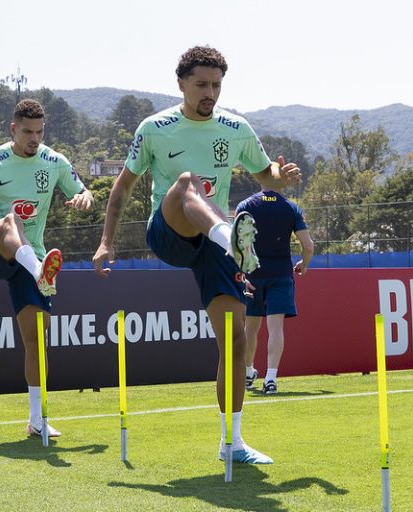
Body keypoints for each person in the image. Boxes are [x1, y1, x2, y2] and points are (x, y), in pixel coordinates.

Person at [93, 46, 301, 464]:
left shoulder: (235, 128)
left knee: (235, 340)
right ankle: (231, 239)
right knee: (188, 183)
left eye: (217, 85)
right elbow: (122, 187)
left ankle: (232, 443)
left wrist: (283, 176)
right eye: (202, 84)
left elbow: (267, 177)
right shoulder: (155, 127)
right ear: (181, 84)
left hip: (216, 246)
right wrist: (106, 241)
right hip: (170, 230)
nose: (211, 93)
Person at [0, 99, 93, 438]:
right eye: (28, 132)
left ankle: (36, 419)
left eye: (40, 132)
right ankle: (40, 269)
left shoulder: (55, 162)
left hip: (33, 258)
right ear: (13, 129)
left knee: (36, 339)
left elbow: (84, 192)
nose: (34, 138)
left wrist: (85, 198)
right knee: (11, 219)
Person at [236, 187, 314, 394]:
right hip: (280, 274)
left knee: (250, 327)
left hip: (252, 274)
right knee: (275, 327)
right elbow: (308, 246)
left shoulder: (245, 205)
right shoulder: (291, 208)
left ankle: (248, 372)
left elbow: (237, 244)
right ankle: (270, 379)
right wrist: (304, 265)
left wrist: (241, 274)